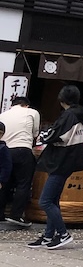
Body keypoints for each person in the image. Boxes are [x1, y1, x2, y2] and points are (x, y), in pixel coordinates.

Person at [29, 85, 83, 250]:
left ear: (61, 99)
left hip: (61, 161)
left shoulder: (69, 115)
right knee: (53, 200)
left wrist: (42, 136)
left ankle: (63, 234)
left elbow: (56, 134)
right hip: (69, 160)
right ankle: (48, 235)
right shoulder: (80, 114)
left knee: (45, 201)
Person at [0, 95, 39, 227]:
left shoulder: (3, 115)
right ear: (26, 105)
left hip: (4, 150)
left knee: (4, 182)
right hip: (23, 149)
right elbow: (35, 133)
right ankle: (16, 215)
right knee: (23, 183)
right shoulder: (32, 112)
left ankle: (0, 213)